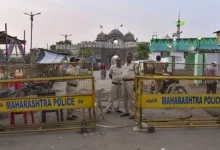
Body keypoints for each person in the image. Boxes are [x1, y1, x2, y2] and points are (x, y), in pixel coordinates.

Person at [120, 53, 136, 119]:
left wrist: (135, 84)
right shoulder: (125, 64)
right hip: (124, 82)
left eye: (129, 57)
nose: (128, 58)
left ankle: (133, 113)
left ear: (132, 57)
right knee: (124, 97)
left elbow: (137, 74)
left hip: (131, 82)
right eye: (127, 57)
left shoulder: (134, 64)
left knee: (132, 98)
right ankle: (126, 111)